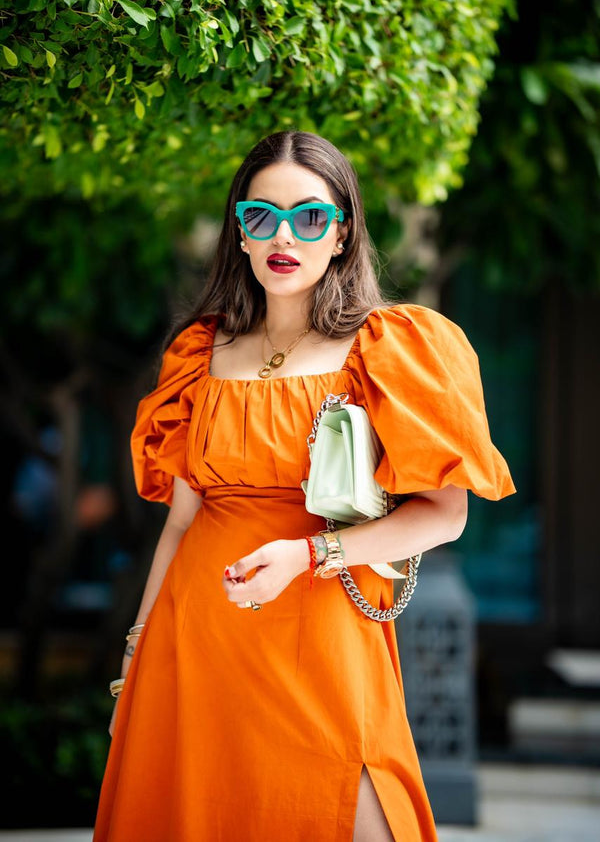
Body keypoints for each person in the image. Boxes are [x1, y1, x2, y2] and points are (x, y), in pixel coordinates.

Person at [94, 131, 515, 842]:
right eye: (262, 216)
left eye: (310, 217)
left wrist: (308, 556)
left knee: (361, 810)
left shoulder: (390, 347)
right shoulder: (201, 351)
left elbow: (445, 515)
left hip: (324, 631)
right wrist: (134, 657)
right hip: (197, 637)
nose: (284, 235)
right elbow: (180, 521)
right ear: (241, 230)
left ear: (343, 232)